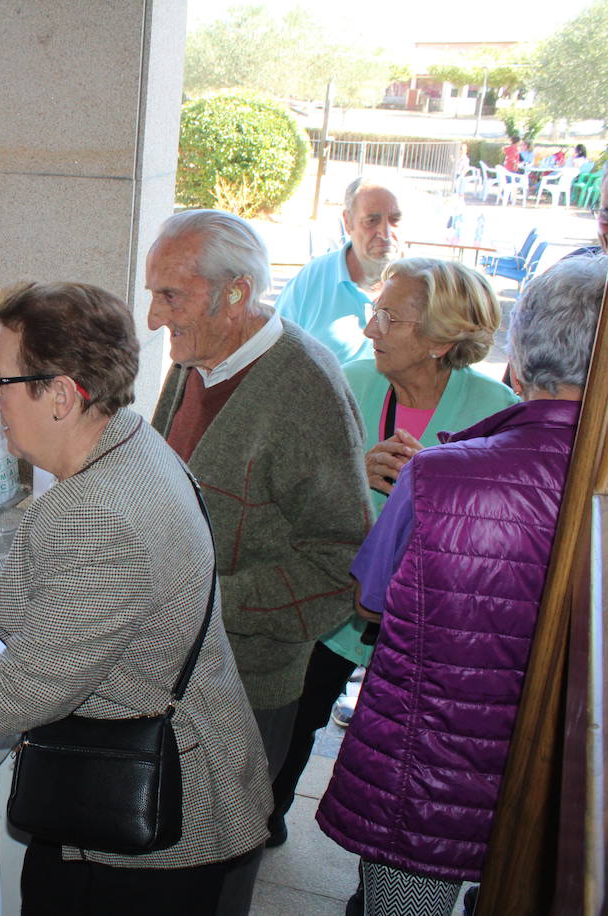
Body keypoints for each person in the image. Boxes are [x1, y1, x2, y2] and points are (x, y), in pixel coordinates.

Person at [0, 280, 270, 913]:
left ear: (59, 395)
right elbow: (87, 598)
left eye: (0, 381)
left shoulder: (97, 514)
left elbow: (26, 689)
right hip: (178, 757)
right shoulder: (130, 440)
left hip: (154, 814)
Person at [316, 253, 606, 916]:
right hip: (560, 793)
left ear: (524, 355)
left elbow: (370, 600)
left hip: (427, 776)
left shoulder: (442, 472)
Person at [145, 210, 369, 915]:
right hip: (167, 664)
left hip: (247, 684)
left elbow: (340, 565)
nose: (154, 317)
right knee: (155, 854)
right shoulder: (194, 360)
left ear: (235, 294)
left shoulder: (304, 389)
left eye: (170, 297)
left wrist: (207, 598)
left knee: (214, 873)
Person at [266, 258, 517, 849]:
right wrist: (358, 472)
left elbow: (504, 522)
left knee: (398, 751)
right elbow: (290, 486)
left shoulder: (493, 407)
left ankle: (379, 872)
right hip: (336, 598)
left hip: (429, 618)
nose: (371, 328)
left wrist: (429, 490)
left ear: (437, 341)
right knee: (297, 720)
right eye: (374, 312)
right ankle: (264, 815)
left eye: (388, 317)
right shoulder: (348, 382)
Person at [274, 178, 402, 365]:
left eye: (395, 220)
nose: (386, 232)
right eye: (372, 220)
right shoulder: (312, 279)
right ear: (348, 222)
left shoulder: (423, 285)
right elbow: (273, 353)